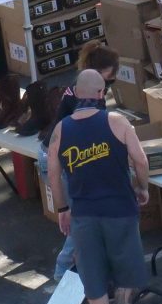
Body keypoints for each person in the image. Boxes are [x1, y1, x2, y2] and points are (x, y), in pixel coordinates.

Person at [48, 69, 151, 304]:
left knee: (92, 274)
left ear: (77, 94)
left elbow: (54, 176)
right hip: (120, 209)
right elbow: (140, 161)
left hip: (83, 214)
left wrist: (62, 209)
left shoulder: (62, 129)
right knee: (126, 270)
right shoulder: (116, 122)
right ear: (99, 94)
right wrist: (142, 188)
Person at [37, 42, 124, 282]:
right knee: (82, 220)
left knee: (83, 218)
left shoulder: (78, 88)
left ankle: (82, 270)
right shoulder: (89, 98)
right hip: (60, 160)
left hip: (53, 155)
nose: (107, 89)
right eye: (108, 81)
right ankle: (63, 273)